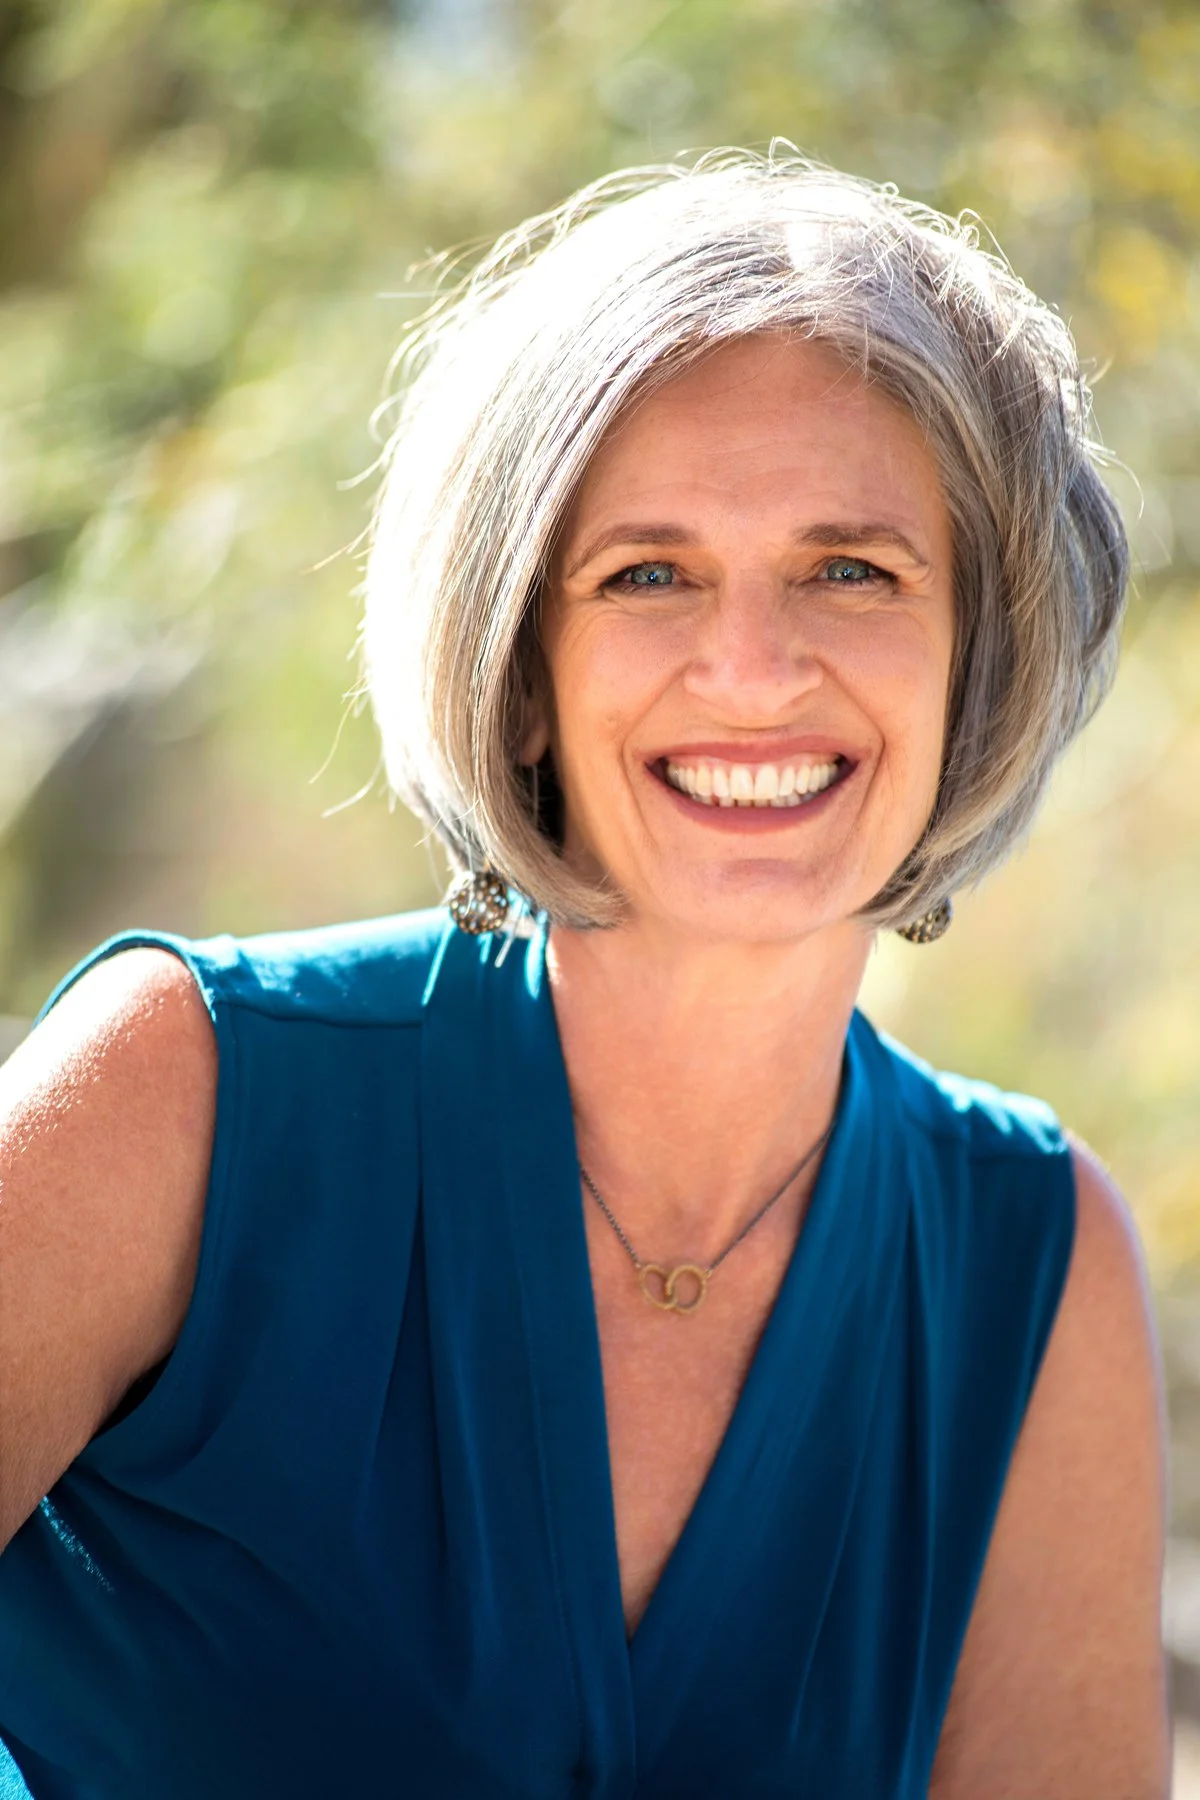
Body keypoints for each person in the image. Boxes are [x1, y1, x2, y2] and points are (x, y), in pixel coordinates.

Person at [0, 150, 1168, 1798]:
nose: (753, 669)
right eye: (647, 574)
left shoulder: (1035, 1263)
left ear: (980, 653)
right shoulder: (184, 1093)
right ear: (521, 671)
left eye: (853, 568)